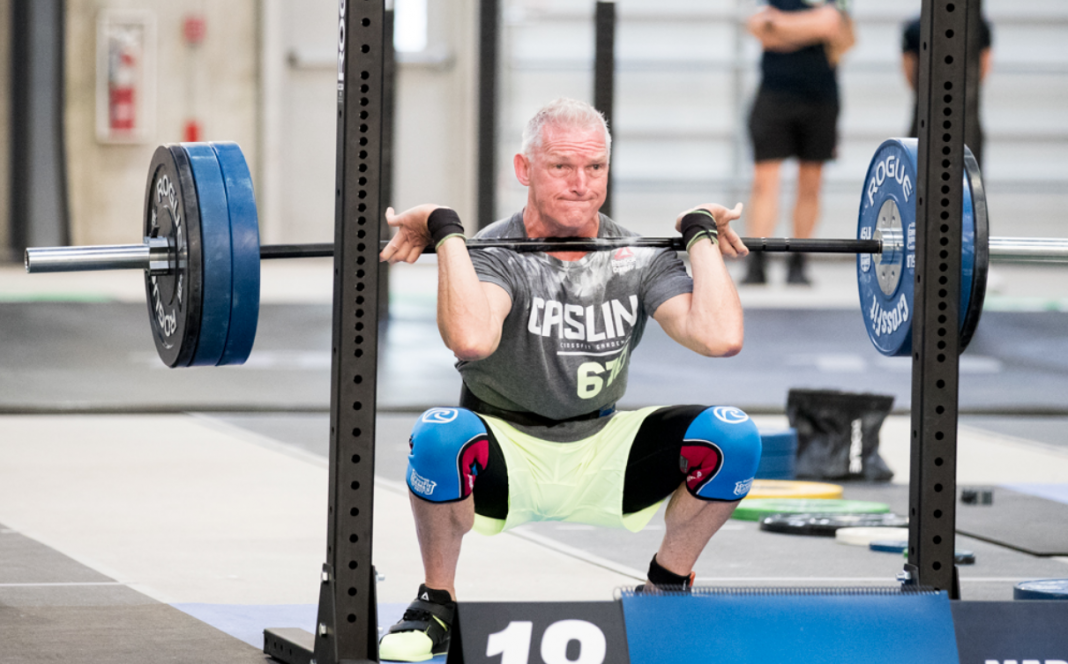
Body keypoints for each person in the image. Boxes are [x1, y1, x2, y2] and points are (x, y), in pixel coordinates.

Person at [376, 98, 763, 662]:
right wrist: (447, 229)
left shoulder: (636, 256)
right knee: (439, 434)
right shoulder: (496, 251)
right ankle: (437, 602)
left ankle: (666, 590)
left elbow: (720, 336)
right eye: (561, 166)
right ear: (524, 169)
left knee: (733, 436)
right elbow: (471, 339)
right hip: (505, 452)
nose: (582, 184)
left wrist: (698, 233)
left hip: (603, 451)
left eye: (595, 168)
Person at [742, 0, 855, 286]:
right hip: (774, 95)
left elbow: (836, 31)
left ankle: (798, 260)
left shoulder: (833, 2)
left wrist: (780, 24)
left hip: (821, 99)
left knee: (811, 184)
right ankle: (758, 258)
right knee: (764, 182)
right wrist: (812, 28)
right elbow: (758, 29)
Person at [901, 14, 992, 166]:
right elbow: (982, 70)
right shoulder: (915, 28)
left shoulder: (916, 26)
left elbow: (910, 75)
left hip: (959, 116)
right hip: (938, 114)